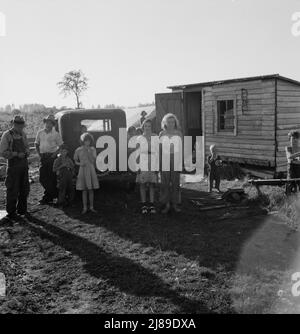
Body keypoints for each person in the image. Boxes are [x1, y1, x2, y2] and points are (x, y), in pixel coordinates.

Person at [0, 115, 30, 220]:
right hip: (13, 167)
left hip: (24, 165)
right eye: (19, 125)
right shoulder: (7, 135)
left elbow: (27, 146)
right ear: (14, 124)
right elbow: (2, 152)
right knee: (12, 189)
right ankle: (11, 212)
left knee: (24, 189)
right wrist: (16, 154)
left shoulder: (23, 134)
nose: (21, 127)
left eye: (22, 125)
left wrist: (27, 152)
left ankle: (22, 210)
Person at [35, 115, 63, 204]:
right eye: (47, 122)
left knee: (51, 177)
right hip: (43, 157)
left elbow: (61, 146)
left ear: (53, 124)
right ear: (45, 122)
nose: (48, 124)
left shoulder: (56, 134)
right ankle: (55, 194)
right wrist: (39, 154)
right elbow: (36, 144)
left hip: (52, 157)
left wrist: (54, 154)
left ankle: (47, 197)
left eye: (50, 123)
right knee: (42, 178)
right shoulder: (40, 133)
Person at [159, 113, 183, 214]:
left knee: (175, 183)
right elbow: (159, 150)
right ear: (165, 123)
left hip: (176, 158)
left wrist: (181, 162)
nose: (171, 123)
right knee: (165, 183)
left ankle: (175, 204)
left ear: (175, 123)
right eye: (169, 122)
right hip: (164, 158)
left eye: (172, 122)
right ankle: (166, 204)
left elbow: (181, 149)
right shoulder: (162, 134)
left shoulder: (178, 133)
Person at [136, 119, 159, 214]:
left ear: (151, 127)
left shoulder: (156, 137)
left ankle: (152, 204)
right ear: (143, 127)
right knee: (142, 184)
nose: (147, 128)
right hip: (143, 161)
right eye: (145, 126)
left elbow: (158, 152)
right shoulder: (139, 138)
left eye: (149, 126)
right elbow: (137, 153)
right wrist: (137, 166)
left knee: (152, 184)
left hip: (153, 160)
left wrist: (157, 166)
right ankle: (144, 205)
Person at [74, 133, 99, 214]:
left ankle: (91, 207)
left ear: (90, 141)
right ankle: (84, 207)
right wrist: (80, 164)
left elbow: (92, 160)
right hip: (82, 170)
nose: (87, 142)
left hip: (91, 169)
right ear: (82, 141)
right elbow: (75, 161)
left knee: (91, 189)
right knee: (84, 190)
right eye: (85, 141)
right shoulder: (78, 150)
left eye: (88, 141)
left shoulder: (93, 149)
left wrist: (88, 152)